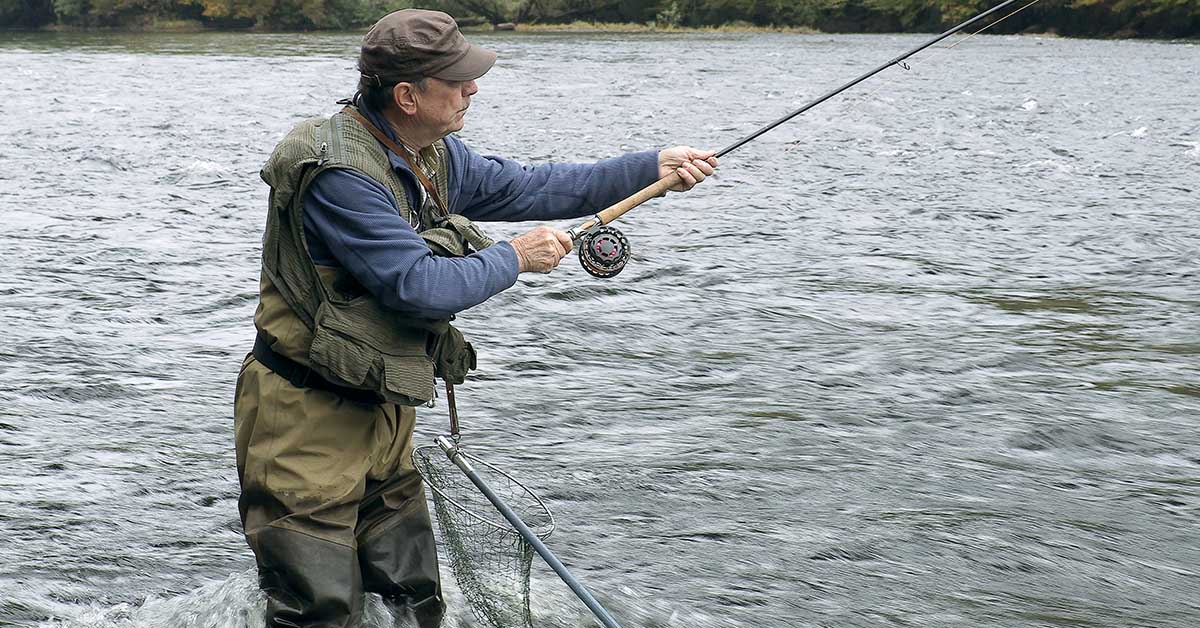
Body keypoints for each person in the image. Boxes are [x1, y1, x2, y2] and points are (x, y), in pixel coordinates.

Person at [233, 8, 718, 628]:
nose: (473, 88)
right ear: (407, 95)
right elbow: (419, 286)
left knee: (412, 601)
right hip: (305, 421)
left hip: (382, 412)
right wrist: (514, 257)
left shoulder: (428, 151)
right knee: (319, 612)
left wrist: (653, 167)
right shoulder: (341, 175)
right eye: (458, 80)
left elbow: (533, 188)